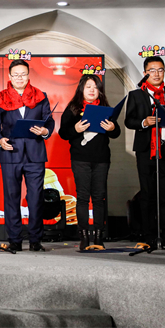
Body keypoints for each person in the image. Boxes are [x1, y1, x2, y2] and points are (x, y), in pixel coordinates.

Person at [124, 56, 165, 250]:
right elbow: (129, 121)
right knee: (148, 194)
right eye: (152, 70)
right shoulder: (136, 95)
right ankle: (149, 236)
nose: (157, 74)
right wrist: (144, 122)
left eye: (160, 70)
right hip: (146, 150)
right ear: (145, 73)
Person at [0, 60, 55, 252]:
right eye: (16, 74)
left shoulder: (40, 96)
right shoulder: (0, 97)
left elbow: (49, 121)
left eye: (23, 74)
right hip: (10, 152)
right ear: (9, 76)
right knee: (11, 197)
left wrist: (45, 131)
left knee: (35, 198)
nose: (19, 78)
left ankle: (35, 240)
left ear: (28, 76)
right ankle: (14, 240)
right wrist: (0, 139)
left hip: (35, 154)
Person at [59, 74, 120, 250]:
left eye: (95, 87)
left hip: (101, 159)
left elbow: (116, 133)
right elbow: (63, 133)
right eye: (88, 87)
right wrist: (75, 129)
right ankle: (84, 236)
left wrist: (112, 128)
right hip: (80, 159)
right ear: (81, 89)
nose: (92, 90)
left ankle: (99, 236)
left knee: (99, 198)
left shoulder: (105, 109)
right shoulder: (73, 109)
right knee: (83, 198)